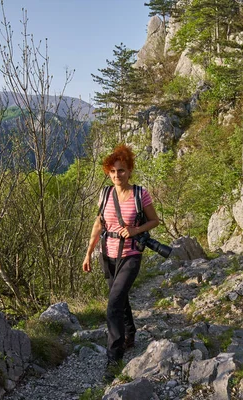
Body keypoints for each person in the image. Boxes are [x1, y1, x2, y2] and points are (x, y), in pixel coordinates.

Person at [82, 144, 160, 382]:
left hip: (131, 254)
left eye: (122, 170)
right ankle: (130, 333)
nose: (117, 175)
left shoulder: (140, 194)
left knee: (113, 303)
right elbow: (99, 224)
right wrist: (88, 252)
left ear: (130, 171)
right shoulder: (105, 194)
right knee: (119, 298)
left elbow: (155, 221)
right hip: (108, 254)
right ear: (108, 172)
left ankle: (114, 358)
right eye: (113, 171)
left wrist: (136, 229)